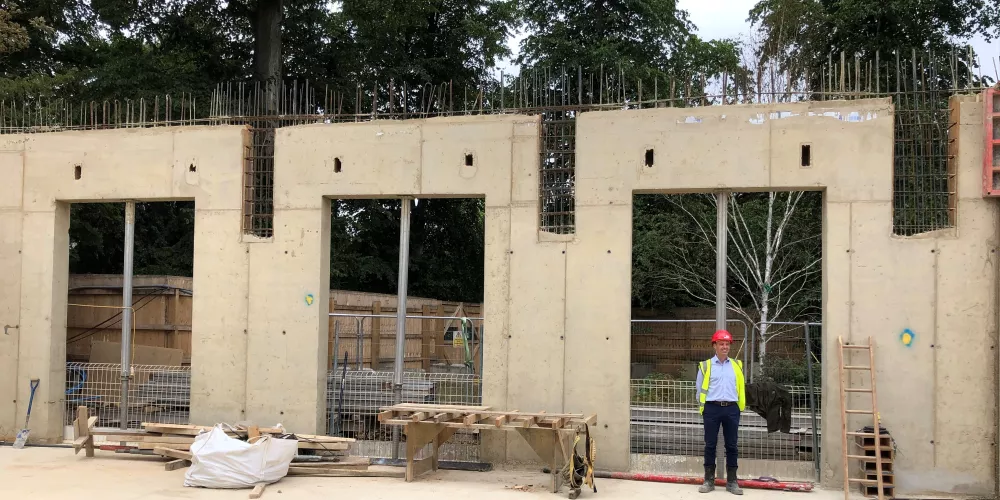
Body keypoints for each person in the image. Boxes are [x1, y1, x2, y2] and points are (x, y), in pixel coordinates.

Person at [695, 329, 746, 495]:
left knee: (732, 445)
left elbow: (740, 388)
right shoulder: (706, 366)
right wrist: (704, 407)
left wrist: (738, 407)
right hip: (712, 408)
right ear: (714, 346)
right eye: (721, 344)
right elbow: (699, 390)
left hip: (732, 409)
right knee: (710, 445)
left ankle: (732, 481)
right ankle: (708, 480)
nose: (724, 347)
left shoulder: (737, 366)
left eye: (727, 344)